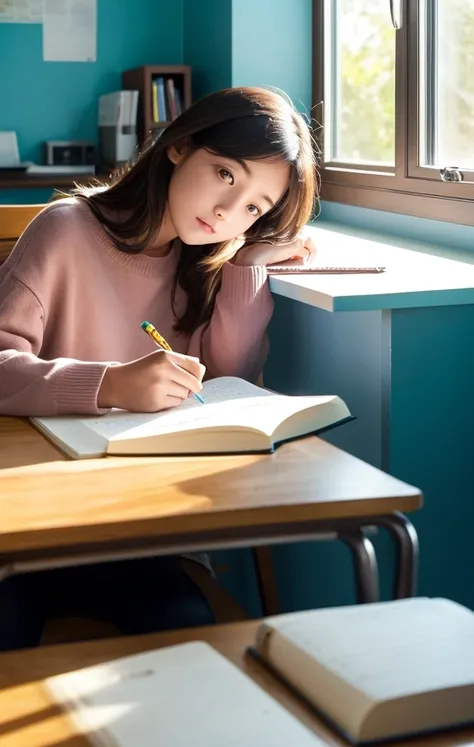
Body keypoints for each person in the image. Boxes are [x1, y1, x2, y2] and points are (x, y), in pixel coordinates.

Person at [0, 86, 318, 649]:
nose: (227, 212)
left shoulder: (205, 264)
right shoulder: (67, 229)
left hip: (139, 529)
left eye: (253, 207)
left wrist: (245, 266)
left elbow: (226, 379)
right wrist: (110, 383)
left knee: (186, 631)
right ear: (180, 146)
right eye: (225, 174)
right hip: (31, 523)